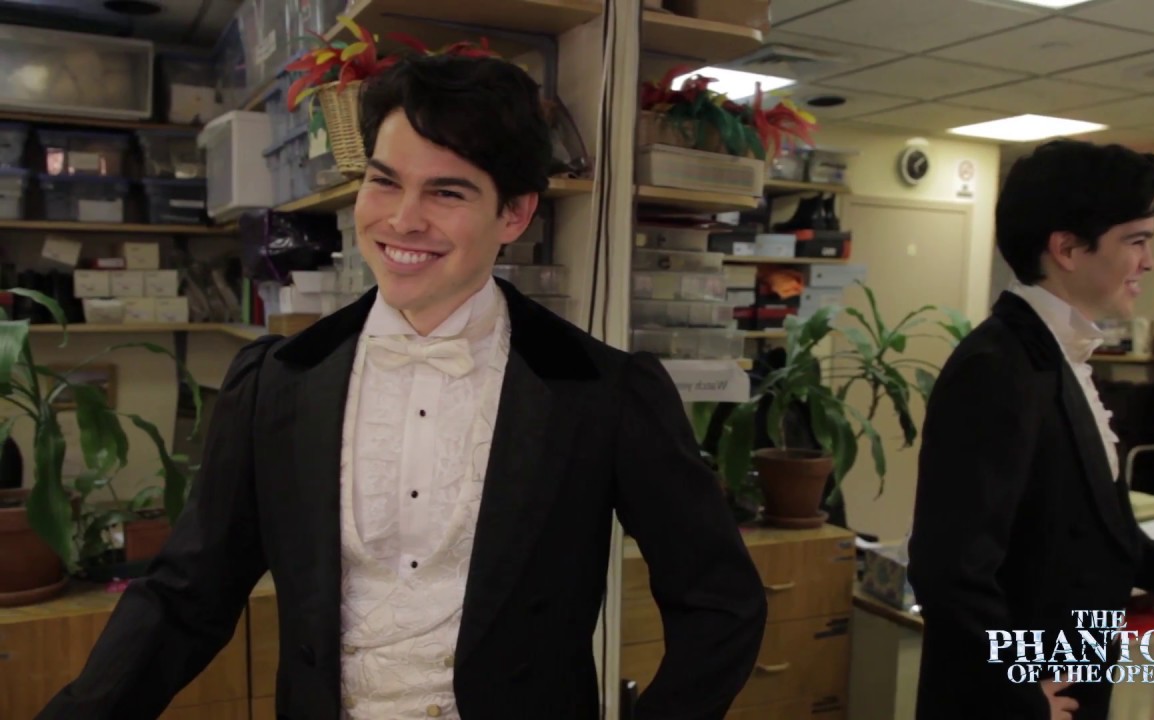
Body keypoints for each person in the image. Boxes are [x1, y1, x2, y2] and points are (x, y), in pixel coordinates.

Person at [38, 54, 766, 720]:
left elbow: (720, 603)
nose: (401, 220)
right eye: (385, 181)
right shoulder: (276, 381)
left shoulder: (602, 390)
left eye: (447, 192)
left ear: (513, 213)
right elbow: (186, 594)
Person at [907, 139, 1154, 720]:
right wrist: (1015, 695)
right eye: (1137, 241)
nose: (1149, 261)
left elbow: (1109, 530)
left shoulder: (1058, 354)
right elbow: (949, 568)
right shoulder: (997, 366)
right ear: (1067, 249)